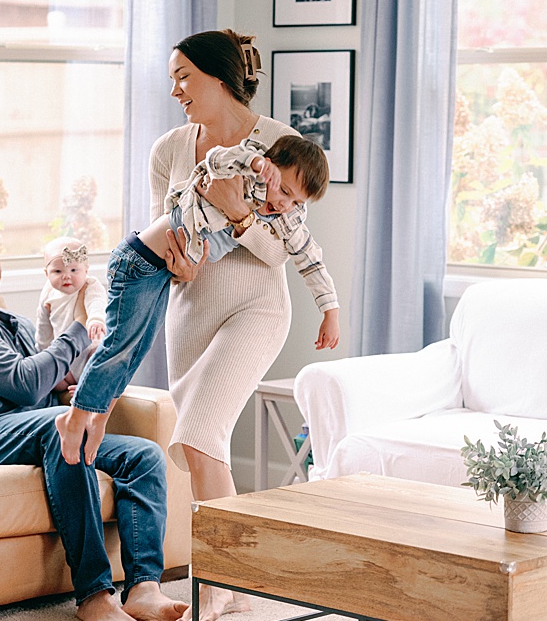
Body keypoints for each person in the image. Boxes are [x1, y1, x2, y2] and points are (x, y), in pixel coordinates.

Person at [0, 211, 190, 621]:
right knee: (60, 427)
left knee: (144, 455)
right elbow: (25, 385)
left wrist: (74, 390)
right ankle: (95, 594)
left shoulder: (15, 324)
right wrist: (81, 326)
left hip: (30, 425)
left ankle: (143, 589)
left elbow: (43, 385)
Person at [159, 29, 341, 621]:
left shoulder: (280, 145)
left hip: (256, 309)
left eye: (184, 75)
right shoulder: (169, 149)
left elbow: (279, 250)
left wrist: (237, 213)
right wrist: (175, 256)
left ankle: (215, 580)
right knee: (197, 445)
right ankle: (232, 579)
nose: (176, 88)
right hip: (190, 312)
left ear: (216, 77)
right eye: (173, 78)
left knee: (200, 429)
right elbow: (163, 228)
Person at [55, 133, 338, 467]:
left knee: (134, 352)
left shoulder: (286, 216)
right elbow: (217, 159)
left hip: (160, 273)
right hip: (139, 261)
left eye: (297, 201)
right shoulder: (245, 169)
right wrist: (256, 163)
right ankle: (74, 418)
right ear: (270, 166)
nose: (284, 204)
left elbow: (309, 259)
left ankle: (97, 418)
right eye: (284, 191)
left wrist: (329, 309)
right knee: (119, 347)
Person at [35, 236, 107, 390]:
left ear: (86, 270)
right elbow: (43, 324)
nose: (66, 275)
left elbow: (97, 301)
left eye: (74, 270)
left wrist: (96, 319)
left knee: (100, 358)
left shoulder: (89, 285)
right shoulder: (48, 293)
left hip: (87, 350)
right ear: (46, 274)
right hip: (64, 357)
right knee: (52, 381)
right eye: (58, 271)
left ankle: (86, 387)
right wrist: (42, 350)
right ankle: (67, 388)